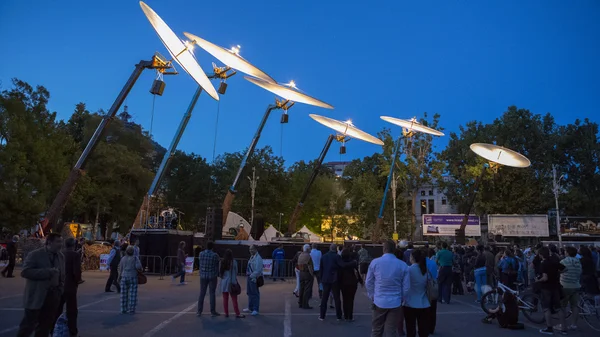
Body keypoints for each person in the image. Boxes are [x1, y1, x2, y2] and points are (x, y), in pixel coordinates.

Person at [17, 233, 64, 337]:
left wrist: (60, 290)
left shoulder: (60, 256)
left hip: (52, 297)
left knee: (45, 326)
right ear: (49, 242)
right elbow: (25, 272)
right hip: (36, 297)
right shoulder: (35, 255)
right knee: (28, 326)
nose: (60, 244)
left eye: (61, 241)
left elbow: (62, 275)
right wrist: (47, 272)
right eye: (58, 242)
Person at [367, 240, 409, 337]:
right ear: (394, 250)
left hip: (379, 301)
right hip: (395, 302)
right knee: (391, 331)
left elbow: (368, 282)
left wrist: (372, 295)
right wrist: (402, 298)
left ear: (384, 249)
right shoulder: (402, 265)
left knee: (376, 330)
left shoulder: (375, 262)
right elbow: (406, 286)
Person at [319, 243, 356, 321]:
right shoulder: (337, 257)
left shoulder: (324, 256)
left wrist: (321, 279)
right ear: (336, 249)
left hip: (325, 279)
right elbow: (343, 265)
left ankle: (322, 315)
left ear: (329, 248)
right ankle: (338, 315)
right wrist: (353, 263)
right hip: (334, 279)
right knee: (336, 298)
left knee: (324, 298)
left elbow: (321, 269)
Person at [53, 238, 82, 337]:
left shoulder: (60, 254)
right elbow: (76, 271)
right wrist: (78, 280)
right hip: (70, 285)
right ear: (73, 245)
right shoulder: (75, 255)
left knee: (57, 308)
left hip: (59, 284)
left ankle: (53, 329)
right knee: (72, 310)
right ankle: (72, 331)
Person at [536, 246, 567, 335]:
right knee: (558, 308)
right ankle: (563, 328)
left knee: (546, 308)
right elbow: (565, 269)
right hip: (556, 286)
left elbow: (545, 278)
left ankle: (549, 328)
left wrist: (538, 280)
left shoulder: (543, 264)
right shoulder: (555, 261)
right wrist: (557, 273)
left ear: (541, 254)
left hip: (546, 288)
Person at [554, 246, 582, 331]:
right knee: (575, 306)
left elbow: (558, 271)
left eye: (565, 251)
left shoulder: (563, 261)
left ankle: (563, 325)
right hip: (576, 285)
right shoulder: (578, 261)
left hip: (565, 286)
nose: (564, 252)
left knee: (562, 306)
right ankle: (574, 324)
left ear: (568, 253)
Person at [404, 249, 431, 337]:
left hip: (409, 303)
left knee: (410, 329)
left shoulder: (408, 270)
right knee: (423, 329)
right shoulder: (425, 270)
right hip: (424, 302)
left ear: (413, 258)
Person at [339, 247, 363, 321]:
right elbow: (357, 272)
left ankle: (345, 315)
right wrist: (360, 281)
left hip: (343, 282)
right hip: (352, 282)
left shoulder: (340, 263)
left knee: (345, 298)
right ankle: (350, 315)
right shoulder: (353, 263)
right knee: (351, 299)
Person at [197, 241, 220, 317]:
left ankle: (199, 311)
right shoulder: (215, 255)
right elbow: (217, 264)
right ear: (212, 247)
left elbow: (200, 263)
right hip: (212, 276)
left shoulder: (201, 254)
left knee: (202, 293)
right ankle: (213, 311)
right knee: (212, 293)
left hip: (203, 276)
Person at [219, 249, 244, 318]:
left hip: (224, 282)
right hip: (232, 282)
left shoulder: (222, 262)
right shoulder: (234, 262)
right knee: (234, 299)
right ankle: (237, 313)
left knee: (225, 299)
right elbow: (236, 272)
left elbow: (220, 273)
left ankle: (226, 313)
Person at [118, 245, 142, 314]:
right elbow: (139, 266)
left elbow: (120, 269)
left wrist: (119, 278)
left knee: (123, 294)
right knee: (132, 294)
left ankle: (123, 309)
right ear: (133, 252)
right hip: (133, 276)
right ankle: (132, 309)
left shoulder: (123, 259)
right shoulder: (135, 258)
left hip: (124, 277)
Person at [244, 245, 263, 316]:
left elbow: (258, 270)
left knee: (255, 293)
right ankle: (250, 307)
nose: (250, 251)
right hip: (249, 277)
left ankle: (256, 309)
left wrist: (252, 276)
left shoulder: (258, 258)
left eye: (252, 249)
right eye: (249, 249)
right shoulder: (252, 257)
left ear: (255, 249)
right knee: (249, 293)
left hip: (254, 278)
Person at [426, 249, 439, 335]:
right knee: (433, 310)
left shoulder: (420, 264)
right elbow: (436, 275)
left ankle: (424, 327)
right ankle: (431, 328)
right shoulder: (433, 263)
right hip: (433, 287)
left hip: (425, 288)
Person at [297, 244, 314, 309]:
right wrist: (312, 274)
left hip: (301, 273)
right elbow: (310, 266)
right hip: (307, 273)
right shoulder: (308, 256)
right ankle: (305, 304)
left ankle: (300, 302)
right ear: (307, 249)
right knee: (307, 289)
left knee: (302, 288)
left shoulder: (300, 255)